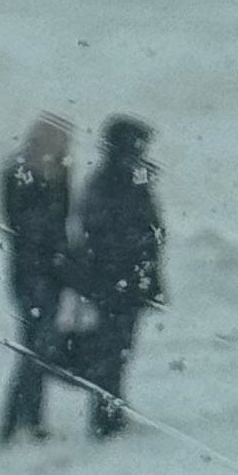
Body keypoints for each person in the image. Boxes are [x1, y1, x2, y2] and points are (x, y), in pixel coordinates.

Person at [68, 116, 165, 438]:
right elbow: (108, 233)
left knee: (119, 349)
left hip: (124, 280)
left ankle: (110, 409)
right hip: (115, 281)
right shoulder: (112, 182)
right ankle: (105, 415)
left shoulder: (125, 179)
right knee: (111, 350)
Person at [0, 113, 73, 443]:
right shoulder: (19, 173)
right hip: (31, 272)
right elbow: (20, 223)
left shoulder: (59, 172)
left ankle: (29, 418)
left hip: (51, 272)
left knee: (39, 347)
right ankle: (15, 421)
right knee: (35, 347)